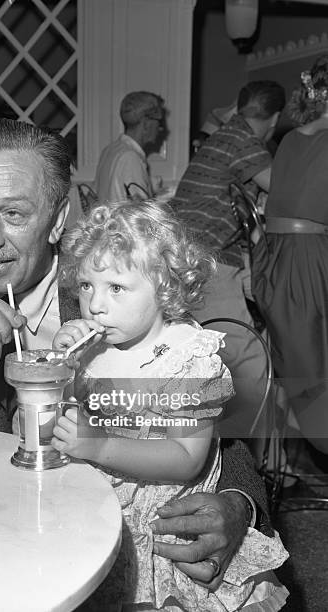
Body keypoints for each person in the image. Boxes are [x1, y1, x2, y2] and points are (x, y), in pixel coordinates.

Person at [0, 118, 270, 589]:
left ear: (55, 222)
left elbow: (210, 431)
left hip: (98, 548)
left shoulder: (115, 283)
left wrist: (237, 505)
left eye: (13, 215)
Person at [51, 200, 288, 611]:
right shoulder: (92, 347)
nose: (95, 305)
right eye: (87, 285)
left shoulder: (188, 359)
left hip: (162, 523)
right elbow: (63, 417)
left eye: (117, 288)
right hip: (95, 506)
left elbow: (186, 459)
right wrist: (62, 370)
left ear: (163, 286)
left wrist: (98, 445)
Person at [172, 81, 286, 458]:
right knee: (248, 361)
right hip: (208, 259)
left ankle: (273, 450)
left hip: (196, 254)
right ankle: (259, 464)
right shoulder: (243, 142)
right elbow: (288, 192)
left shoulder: (224, 135)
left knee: (275, 313)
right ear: (275, 117)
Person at [252, 56, 328, 455]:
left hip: (275, 263)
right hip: (307, 266)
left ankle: (287, 411)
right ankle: (307, 421)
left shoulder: (292, 138)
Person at [94, 91, 166, 202]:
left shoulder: (110, 150)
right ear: (146, 123)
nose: (161, 128)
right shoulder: (130, 158)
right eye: (159, 121)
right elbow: (142, 215)